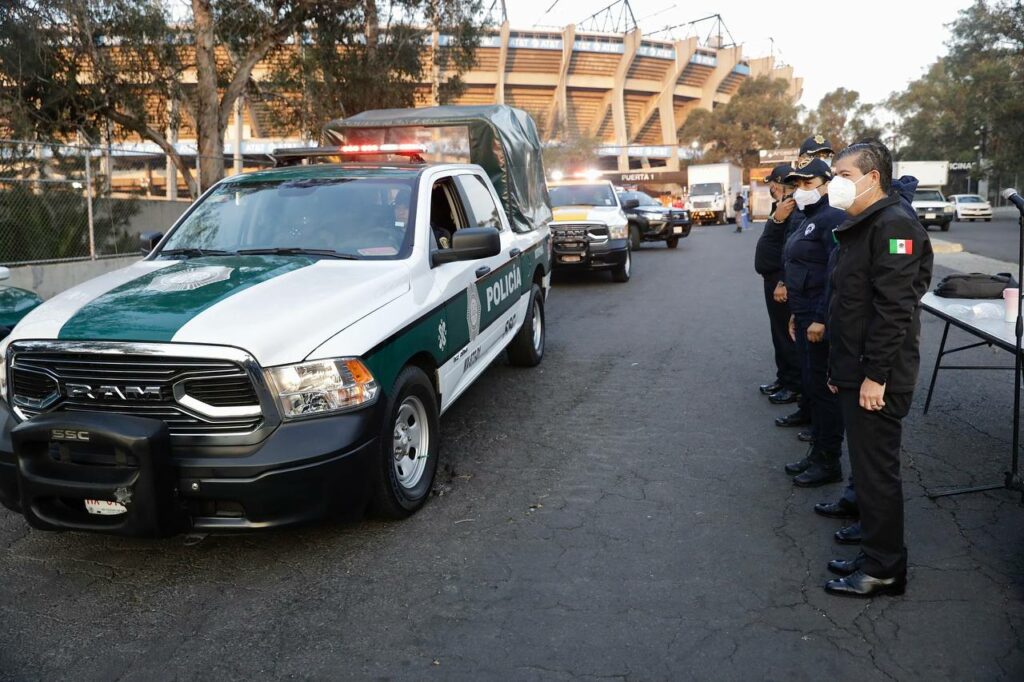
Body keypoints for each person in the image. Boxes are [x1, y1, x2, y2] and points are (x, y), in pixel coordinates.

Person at [822, 141, 933, 598]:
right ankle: (874, 552)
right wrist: (841, 368)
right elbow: (848, 306)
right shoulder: (863, 224)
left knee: (876, 473)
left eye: (843, 174)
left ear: (872, 178)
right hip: (858, 369)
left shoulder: (893, 225)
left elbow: (894, 311)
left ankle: (885, 569)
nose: (835, 183)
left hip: (878, 375)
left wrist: (875, 376)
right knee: (867, 472)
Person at [780, 159, 847, 487]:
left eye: (808, 183)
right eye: (798, 185)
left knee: (823, 390)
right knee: (812, 385)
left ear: (827, 183)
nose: (801, 190)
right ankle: (817, 452)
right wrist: (797, 311)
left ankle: (828, 460)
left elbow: (836, 272)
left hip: (820, 316)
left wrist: (820, 317)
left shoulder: (832, 217)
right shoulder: (810, 217)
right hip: (805, 313)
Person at [754, 164, 803, 403]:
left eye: (773, 183)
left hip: (780, 281)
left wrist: (783, 281)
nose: (771, 188)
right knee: (778, 333)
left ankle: (793, 384)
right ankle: (784, 377)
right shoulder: (781, 206)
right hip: (772, 279)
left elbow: (790, 249)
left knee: (787, 335)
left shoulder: (793, 207)